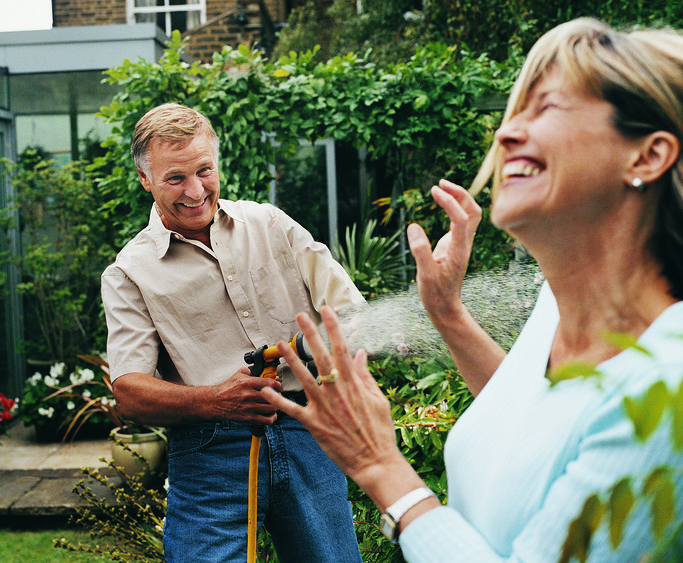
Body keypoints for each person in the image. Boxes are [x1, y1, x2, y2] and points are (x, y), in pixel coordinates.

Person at [262, 18, 683, 562]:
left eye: (548, 108)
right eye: (515, 114)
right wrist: (446, 312)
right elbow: (533, 425)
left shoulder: (663, 388)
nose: (506, 134)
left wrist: (380, 467)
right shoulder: (558, 306)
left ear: (647, 156)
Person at [100, 103, 365, 562]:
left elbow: (352, 315)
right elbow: (130, 393)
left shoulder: (271, 225)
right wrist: (216, 399)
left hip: (308, 429)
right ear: (146, 180)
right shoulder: (129, 272)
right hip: (211, 449)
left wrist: (327, 353)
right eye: (175, 178)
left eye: (204, 170)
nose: (196, 190)